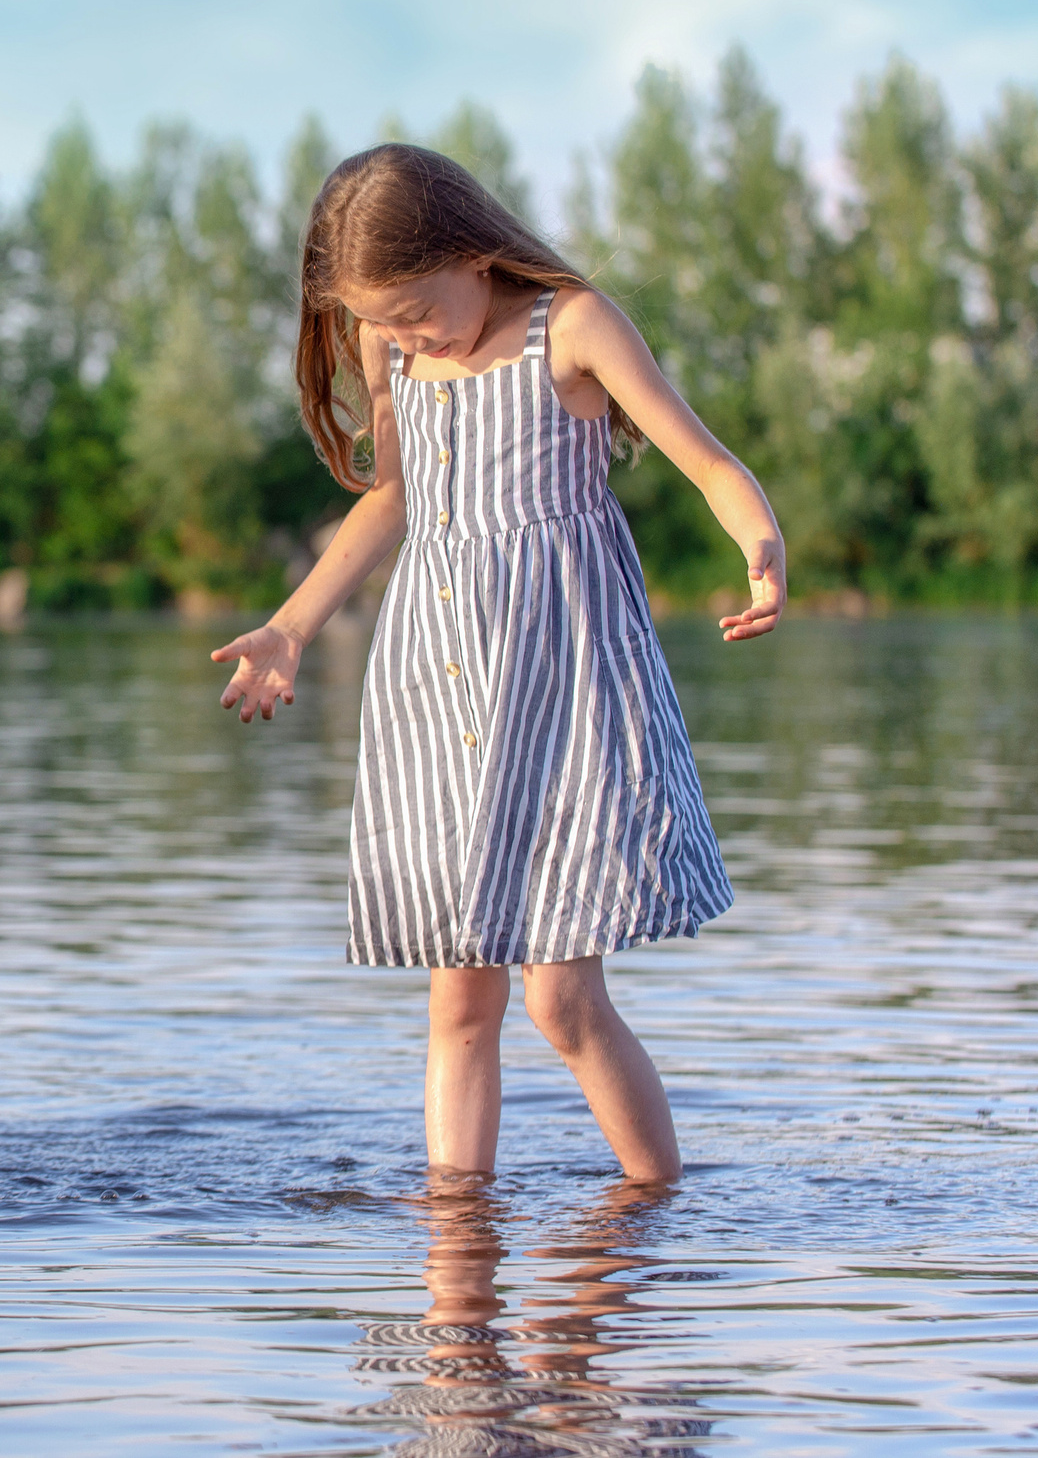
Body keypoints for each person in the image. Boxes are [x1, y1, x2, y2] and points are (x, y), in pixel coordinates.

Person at [213, 143, 784, 1186]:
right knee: (459, 998)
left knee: (561, 998)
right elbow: (391, 499)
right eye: (374, 321)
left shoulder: (568, 328)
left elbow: (704, 456)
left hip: (564, 693)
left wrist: (759, 543)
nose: (391, 336)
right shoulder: (393, 355)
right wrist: (292, 625)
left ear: (472, 252)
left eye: (410, 310)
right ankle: (456, 1236)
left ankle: (657, 1204)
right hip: (440, 691)